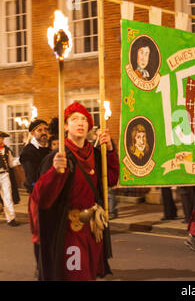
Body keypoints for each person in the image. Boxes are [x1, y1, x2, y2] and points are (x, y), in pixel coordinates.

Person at [31, 102, 119, 281]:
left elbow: (110, 179)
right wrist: (54, 172)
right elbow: (41, 198)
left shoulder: (96, 154)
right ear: (65, 126)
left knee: (90, 274)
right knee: (77, 275)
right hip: (70, 232)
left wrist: (110, 151)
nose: (80, 123)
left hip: (93, 231)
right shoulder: (58, 156)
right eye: (74, 119)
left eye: (84, 120)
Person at [19, 119, 51, 273]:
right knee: (40, 234)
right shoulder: (28, 152)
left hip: (53, 196)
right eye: (40, 130)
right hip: (38, 197)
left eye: (46, 129)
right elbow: (31, 179)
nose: (44, 132)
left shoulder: (51, 148)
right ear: (32, 133)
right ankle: (40, 267)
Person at [0, 131, 21, 227]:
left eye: (2, 138)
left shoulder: (7, 150)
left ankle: (11, 218)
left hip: (4, 175)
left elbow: (11, 163)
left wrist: (20, 159)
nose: (1, 140)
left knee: (8, 196)